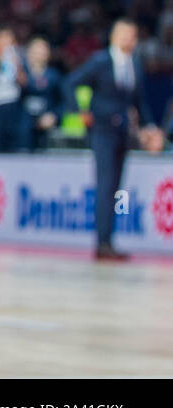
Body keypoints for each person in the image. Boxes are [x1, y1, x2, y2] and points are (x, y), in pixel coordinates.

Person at [65, 18, 166, 260]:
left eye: (133, 36)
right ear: (114, 36)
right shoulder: (101, 61)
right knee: (105, 186)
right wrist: (81, 112)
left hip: (123, 133)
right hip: (102, 132)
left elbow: (138, 101)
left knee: (117, 190)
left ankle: (110, 240)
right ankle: (102, 243)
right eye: (125, 35)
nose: (129, 40)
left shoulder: (135, 64)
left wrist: (149, 126)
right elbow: (71, 83)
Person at [22, 37, 63, 152]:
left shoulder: (54, 76)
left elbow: (63, 102)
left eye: (43, 51)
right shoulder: (19, 74)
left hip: (46, 131)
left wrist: (54, 116)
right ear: (28, 52)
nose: (39, 54)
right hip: (21, 129)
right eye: (36, 51)